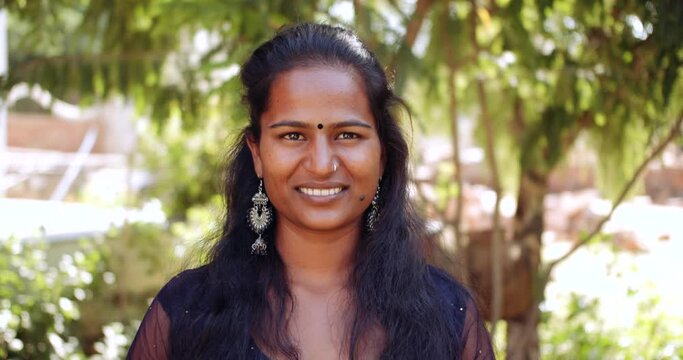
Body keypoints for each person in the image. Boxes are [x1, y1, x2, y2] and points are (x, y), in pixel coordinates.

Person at [127, 23, 494, 360]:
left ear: (382, 153)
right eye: (293, 136)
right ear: (257, 154)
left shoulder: (447, 317)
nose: (321, 164)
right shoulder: (186, 315)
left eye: (347, 135)